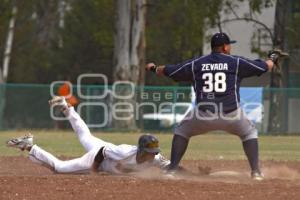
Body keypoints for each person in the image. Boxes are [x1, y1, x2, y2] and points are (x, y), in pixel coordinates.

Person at [146, 32, 286, 181]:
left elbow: (170, 70)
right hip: (231, 114)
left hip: (203, 115)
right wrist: (272, 58)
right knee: (249, 133)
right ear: (225, 47)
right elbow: (264, 67)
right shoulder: (236, 62)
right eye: (229, 44)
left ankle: (171, 170)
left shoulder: (196, 63)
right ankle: (256, 173)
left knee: (182, 131)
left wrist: (154, 68)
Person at [6, 96, 170, 174]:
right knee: (60, 168)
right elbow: (102, 151)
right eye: (150, 153)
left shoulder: (155, 158)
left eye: (154, 152)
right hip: (97, 156)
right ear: (141, 150)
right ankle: (28, 145)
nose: (153, 156)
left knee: (84, 135)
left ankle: (66, 106)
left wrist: (195, 175)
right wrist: (94, 169)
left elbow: (172, 166)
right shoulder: (125, 152)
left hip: (105, 150)